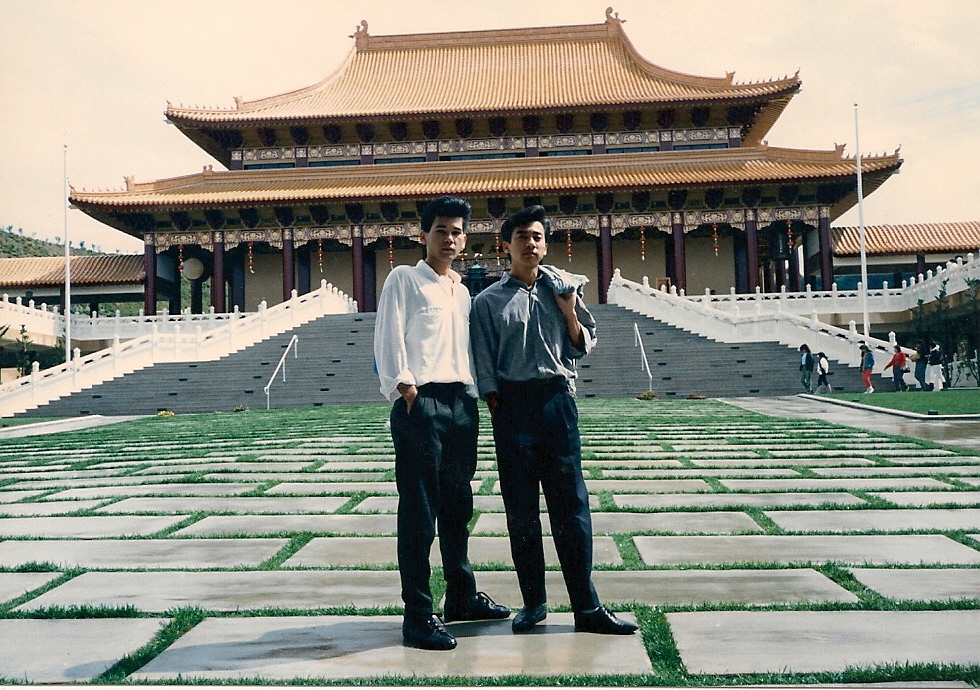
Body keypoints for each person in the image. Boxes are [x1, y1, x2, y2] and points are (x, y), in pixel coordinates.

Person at [470, 205, 638, 636]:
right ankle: (534, 603)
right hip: (512, 407)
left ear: (546, 245)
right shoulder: (487, 302)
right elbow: (484, 362)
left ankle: (587, 606)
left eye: (538, 237)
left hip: (557, 403)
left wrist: (568, 308)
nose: (531, 243)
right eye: (522, 236)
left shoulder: (565, 289)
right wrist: (496, 405)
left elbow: (583, 345)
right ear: (505, 246)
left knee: (572, 507)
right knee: (521, 511)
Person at [374, 195, 509, 651]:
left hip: (461, 404)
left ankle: (462, 598)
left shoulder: (462, 290)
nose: (448, 239)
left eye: (456, 232)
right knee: (419, 513)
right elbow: (389, 337)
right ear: (423, 235)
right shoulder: (404, 280)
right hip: (422, 405)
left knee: (457, 508)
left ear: (464, 238)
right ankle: (418, 616)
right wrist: (405, 388)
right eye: (439, 231)